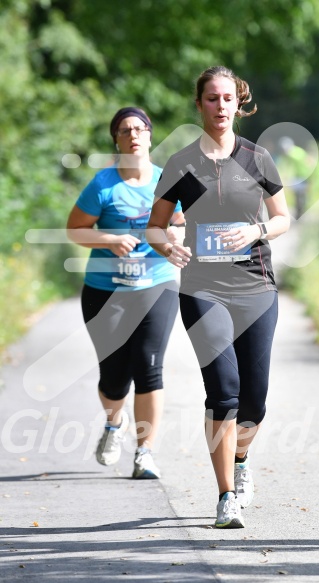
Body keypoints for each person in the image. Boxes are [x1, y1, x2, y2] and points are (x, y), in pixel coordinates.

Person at [147, 66, 290, 527]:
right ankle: (226, 494)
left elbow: (284, 218)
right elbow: (156, 223)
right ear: (200, 105)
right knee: (224, 393)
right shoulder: (181, 163)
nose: (221, 106)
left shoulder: (257, 158)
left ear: (239, 102)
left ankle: (242, 462)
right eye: (212, 98)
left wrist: (258, 229)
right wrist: (168, 243)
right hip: (203, 288)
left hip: (257, 288)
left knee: (255, 402)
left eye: (228, 98)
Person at [67, 106, 185, 479]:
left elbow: (179, 222)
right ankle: (113, 425)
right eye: (124, 130)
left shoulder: (167, 180)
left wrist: (174, 239)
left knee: (149, 367)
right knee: (114, 378)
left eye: (139, 128)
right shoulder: (103, 184)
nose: (133, 135)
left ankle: (145, 452)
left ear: (150, 135)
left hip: (156, 285)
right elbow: (75, 230)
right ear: (115, 140)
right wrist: (109, 238)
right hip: (106, 291)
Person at [278, 136, 311, 219]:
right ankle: (301, 213)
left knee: (298, 196)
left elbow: (286, 166)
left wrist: (285, 177)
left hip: (299, 177)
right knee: (302, 196)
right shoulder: (299, 150)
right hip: (305, 176)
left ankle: (299, 214)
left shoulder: (290, 154)